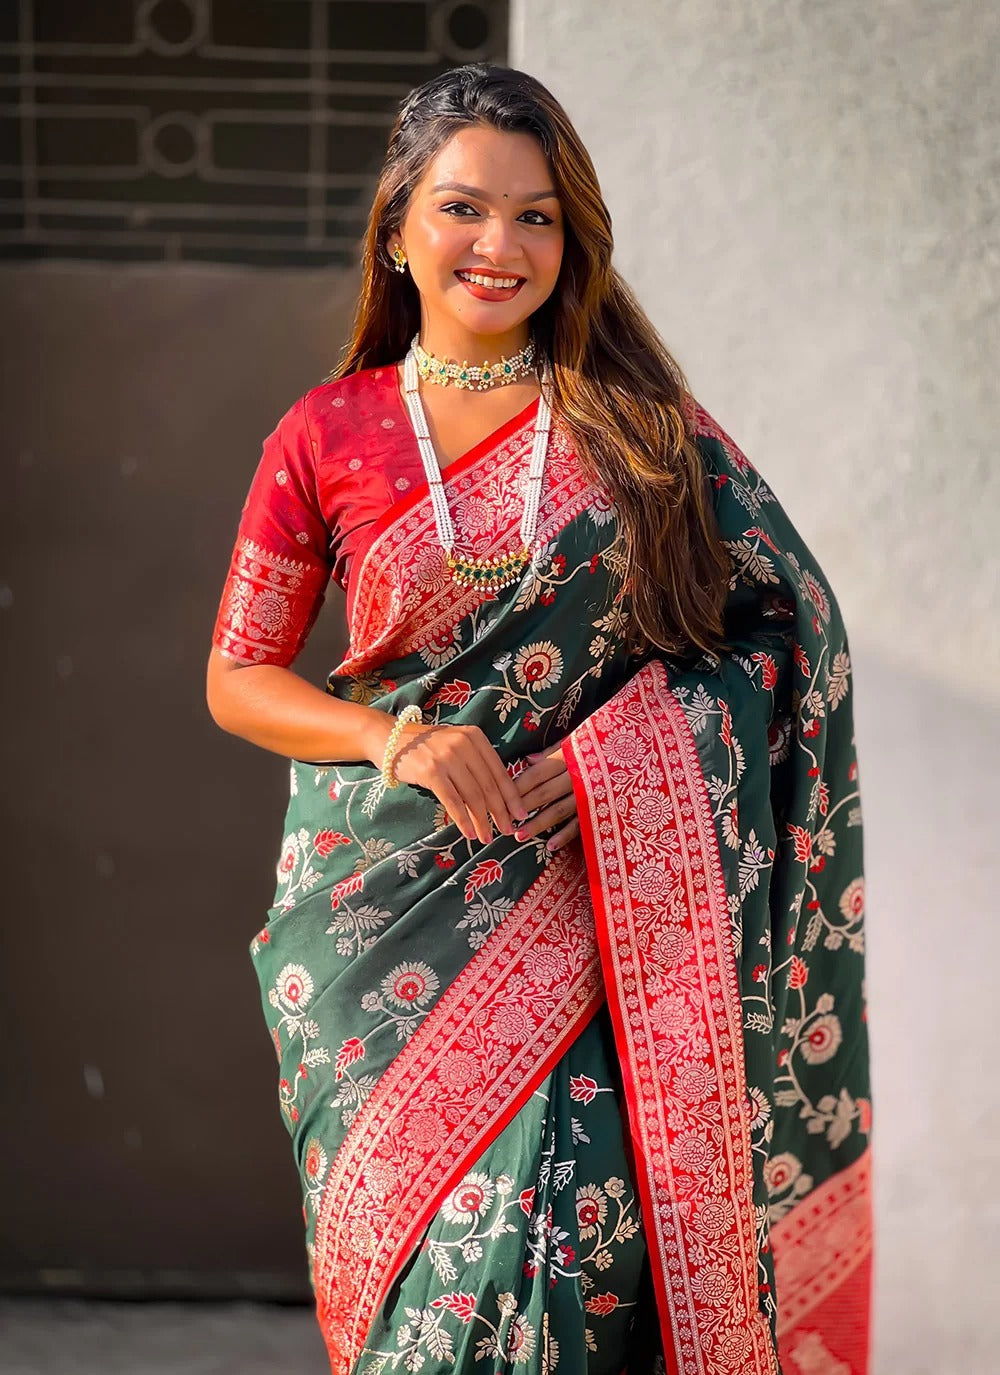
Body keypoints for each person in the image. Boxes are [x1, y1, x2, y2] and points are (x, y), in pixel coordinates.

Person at [206, 63, 872, 1375]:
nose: (500, 245)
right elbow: (239, 679)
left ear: (573, 243)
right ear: (398, 230)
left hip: (596, 907)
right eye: (465, 208)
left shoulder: (644, 431)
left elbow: (787, 633)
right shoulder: (325, 433)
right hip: (377, 918)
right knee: (424, 1298)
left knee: (564, 1246)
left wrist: (616, 764)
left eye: (538, 216)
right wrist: (399, 739)